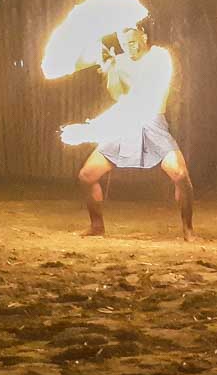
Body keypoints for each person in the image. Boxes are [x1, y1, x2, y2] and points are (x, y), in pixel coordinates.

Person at [65, 24, 195, 240]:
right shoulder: (120, 62)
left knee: (180, 175)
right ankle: (97, 226)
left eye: (133, 42)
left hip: (152, 122)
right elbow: (117, 95)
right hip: (125, 122)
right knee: (87, 176)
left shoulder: (159, 57)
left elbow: (148, 90)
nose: (129, 48)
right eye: (124, 44)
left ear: (144, 37)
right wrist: (111, 71)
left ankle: (188, 230)